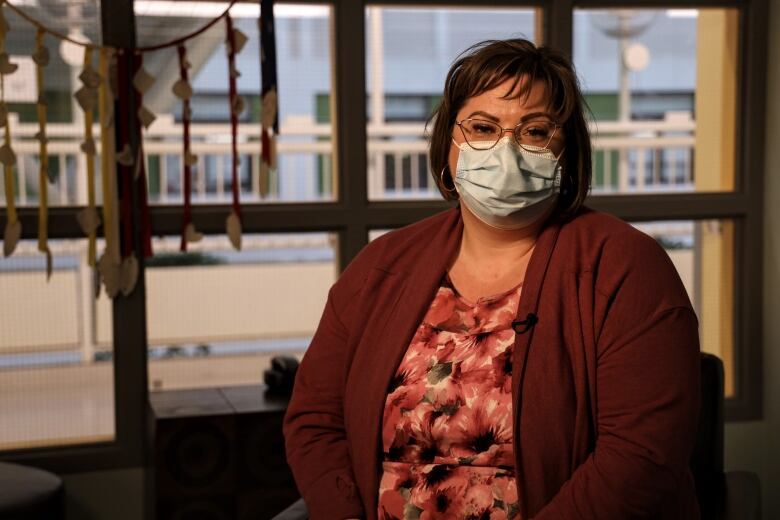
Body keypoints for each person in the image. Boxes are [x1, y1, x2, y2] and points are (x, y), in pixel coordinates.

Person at [283, 38, 700, 519]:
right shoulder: (382, 266)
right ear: (449, 145)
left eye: (535, 132)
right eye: (482, 127)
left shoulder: (626, 266)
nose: (506, 151)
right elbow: (315, 421)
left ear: (567, 152)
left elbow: (642, 457)